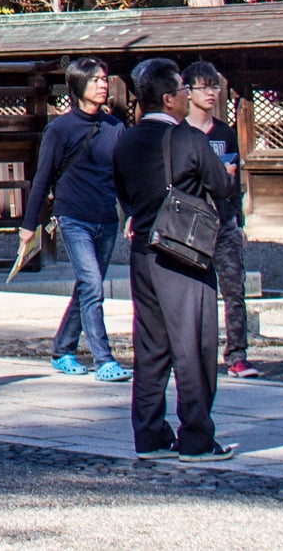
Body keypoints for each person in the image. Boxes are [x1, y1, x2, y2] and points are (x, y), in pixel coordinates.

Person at [114, 56, 237, 461]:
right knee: (194, 344)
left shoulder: (126, 139)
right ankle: (196, 436)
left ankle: (149, 433)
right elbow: (221, 185)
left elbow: (124, 193)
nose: (188, 97)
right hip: (182, 252)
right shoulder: (189, 139)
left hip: (143, 251)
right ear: (169, 99)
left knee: (150, 345)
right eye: (183, 91)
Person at [17, 56, 130, 382]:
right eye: (95, 80)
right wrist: (29, 224)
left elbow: (123, 177)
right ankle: (104, 359)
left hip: (106, 217)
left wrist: (131, 214)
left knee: (86, 287)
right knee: (94, 285)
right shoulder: (60, 129)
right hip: (73, 217)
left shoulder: (115, 127)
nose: (102, 85)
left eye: (104, 79)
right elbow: (43, 178)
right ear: (78, 86)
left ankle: (62, 348)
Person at [182, 60, 261, 380]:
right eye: (203, 87)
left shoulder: (225, 133)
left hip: (224, 220)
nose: (211, 93)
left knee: (234, 290)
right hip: (190, 223)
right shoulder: (179, 133)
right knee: (192, 295)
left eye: (214, 86)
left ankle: (237, 354)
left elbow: (234, 177)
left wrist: (239, 221)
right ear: (187, 92)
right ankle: (193, 355)